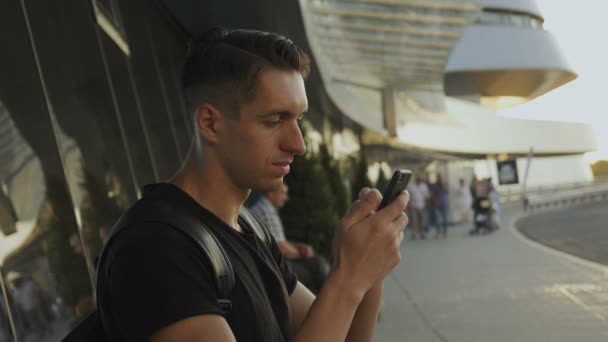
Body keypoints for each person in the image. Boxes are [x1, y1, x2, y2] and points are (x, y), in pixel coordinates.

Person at [96, 27, 409, 342]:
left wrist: (369, 273)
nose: (298, 144)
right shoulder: (154, 247)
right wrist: (348, 279)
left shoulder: (249, 227)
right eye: (274, 121)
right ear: (210, 123)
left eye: (298, 120)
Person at [250, 183, 329, 294]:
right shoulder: (266, 210)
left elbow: (280, 241)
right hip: (271, 264)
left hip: (273, 261)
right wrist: (303, 254)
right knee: (316, 268)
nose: (286, 198)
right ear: (271, 193)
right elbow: (280, 248)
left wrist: (297, 246)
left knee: (317, 266)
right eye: (283, 193)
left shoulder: (265, 208)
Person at [407, 173, 429, 240]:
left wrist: (427, 200)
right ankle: (414, 234)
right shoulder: (411, 186)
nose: (419, 180)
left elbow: (427, 195)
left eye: (420, 179)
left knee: (422, 221)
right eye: (418, 179)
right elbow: (408, 196)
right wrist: (408, 205)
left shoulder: (424, 186)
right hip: (413, 207)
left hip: (421, 206)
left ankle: (422, 233)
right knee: (414, 221)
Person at [428, 174, 449, 238]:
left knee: (445, 218)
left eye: (440, 178)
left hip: (444, 203)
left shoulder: (444, 185)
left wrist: (443, 186)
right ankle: (438, 231)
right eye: (438, 178)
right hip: (437, 205)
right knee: (437, 219)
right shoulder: (434, 186)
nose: (439, 179)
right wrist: (436, 201)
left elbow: (447, 192)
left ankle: (445, 232)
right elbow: (432, 194)